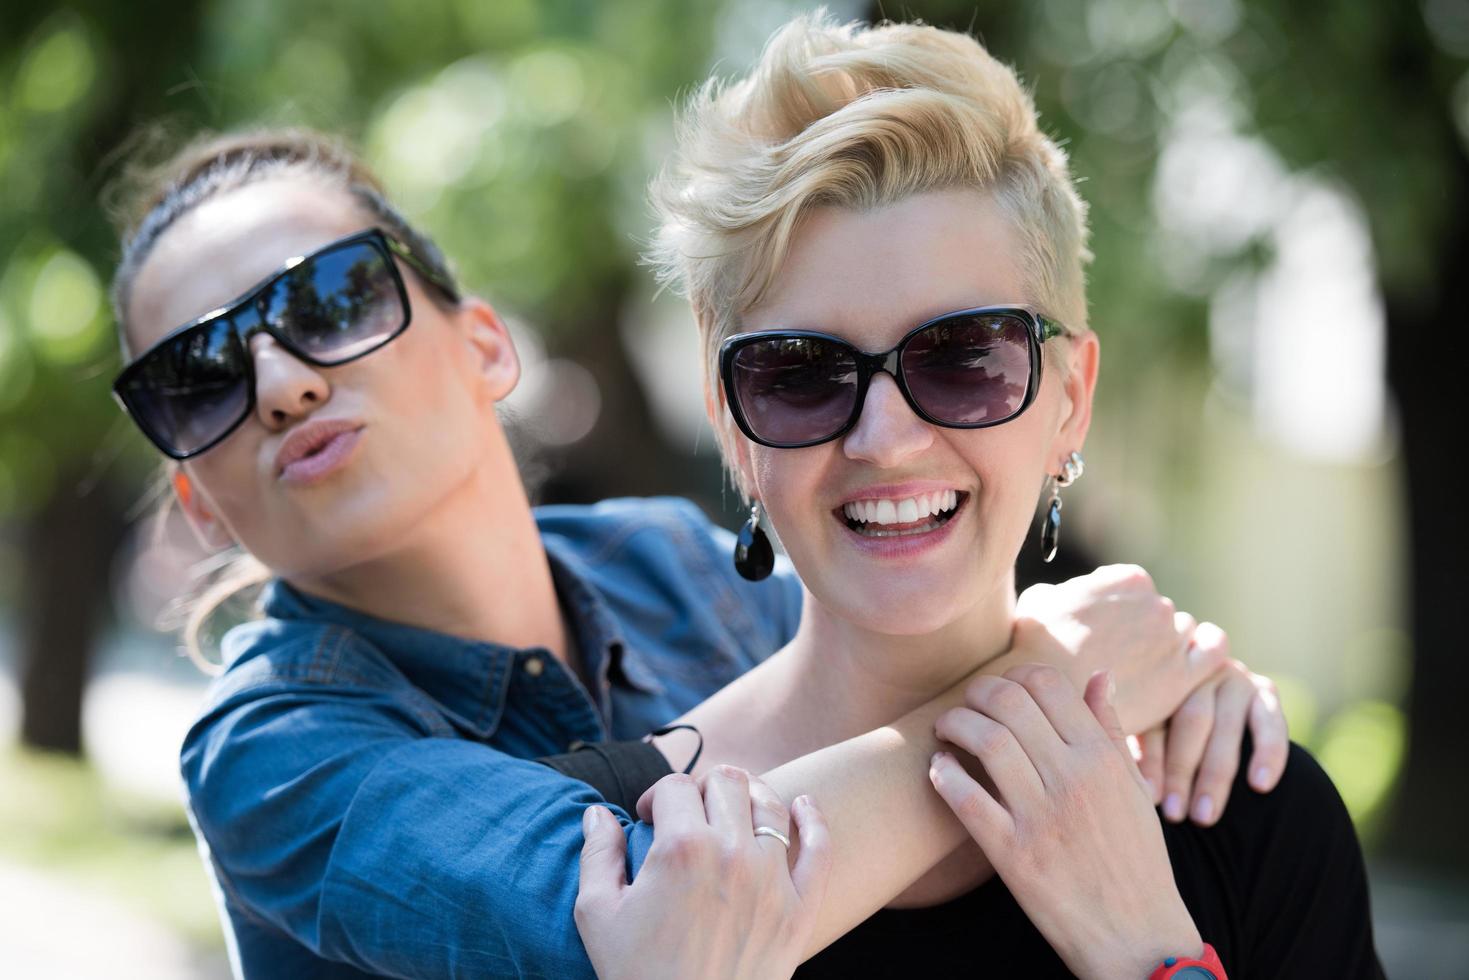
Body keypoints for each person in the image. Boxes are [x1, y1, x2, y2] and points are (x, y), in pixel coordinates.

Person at [106, 122, 1287, 978]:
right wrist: (1055, 687)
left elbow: (898, 693)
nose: (281, 379)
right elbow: (646, 920)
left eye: (328, 298)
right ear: (196, 502)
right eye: (196, 377)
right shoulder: (269, 748)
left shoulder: (676, 560)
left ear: (481, 347)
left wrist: (1161, 684)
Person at [574, 12, 1386, 979]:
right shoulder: (613, 859)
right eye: (799, 374)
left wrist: (1150, 955)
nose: (885, 439)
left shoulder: (1233, 804)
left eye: (963, 359)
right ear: (731, 428)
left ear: (1070, 400)